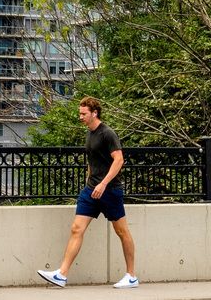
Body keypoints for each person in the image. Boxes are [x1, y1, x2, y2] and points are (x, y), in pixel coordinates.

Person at [37, 97, 138, 289]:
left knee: (122, 231)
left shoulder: (108, 134)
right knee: (77, 228)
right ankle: (62, 274)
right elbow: (93, 162)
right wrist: (89, 183)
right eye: (80, 113)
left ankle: (131, 276)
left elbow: (119, 160)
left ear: (94, 113)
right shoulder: (89, 134)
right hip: (91, 191)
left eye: (83, 113)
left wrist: (103, 184)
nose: (80, 117)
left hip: (110, 191)